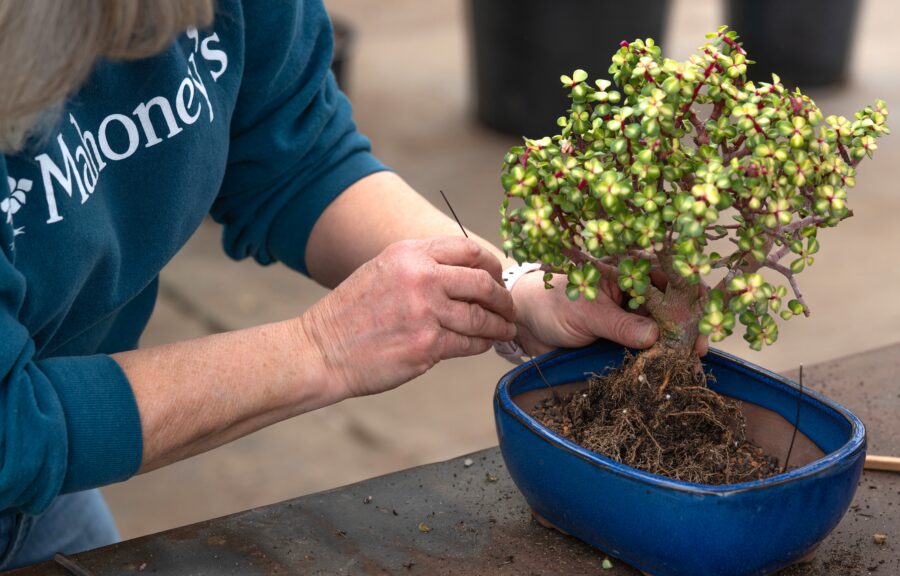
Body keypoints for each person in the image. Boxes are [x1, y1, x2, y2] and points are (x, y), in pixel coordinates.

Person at [0, 0, 666, 569]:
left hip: (45, 494)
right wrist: (322, 347)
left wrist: (519, 291)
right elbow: (15, 431)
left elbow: (292, 151)